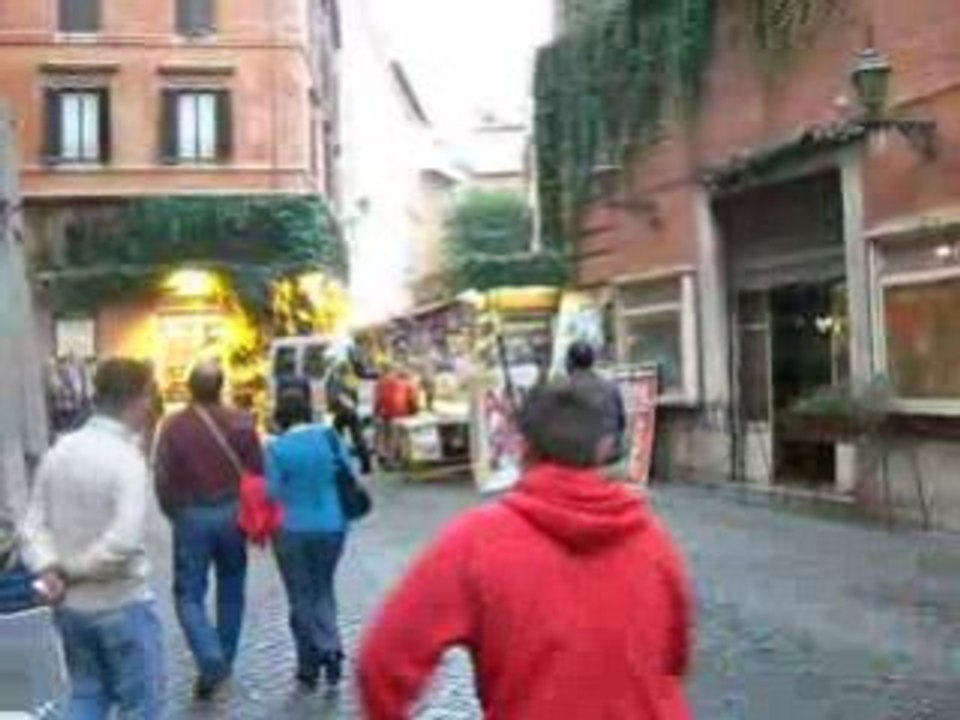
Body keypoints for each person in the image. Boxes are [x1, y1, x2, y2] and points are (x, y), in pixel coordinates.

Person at [358, 379, 693, 719]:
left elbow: (384, 662)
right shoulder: (651, 539)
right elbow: (675, 658)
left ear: (522, 447)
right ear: (604, 448)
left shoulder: (477, 541)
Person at [22, 359, 165, 719]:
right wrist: (72, 570)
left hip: (72, 607)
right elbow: (124, 541)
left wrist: (48, 567)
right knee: (140, 705)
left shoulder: (59, 452)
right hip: (122, 600)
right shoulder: (126, 459)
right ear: (137, 399)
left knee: (87, 696)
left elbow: (32, 524)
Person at [153, 360, 264, 700]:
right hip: (232, 513)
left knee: (188, 594)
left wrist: (174, 513)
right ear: (222, 386)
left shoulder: (172, 427)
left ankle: (208, 655)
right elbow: (258, 474)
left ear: (190, 387)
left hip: (191, 514)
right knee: (232, 587)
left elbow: (162, 475)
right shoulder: (243, 423)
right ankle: (222, 659)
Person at [266, 389, 354, 691]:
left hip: (292, 529)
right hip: (332, 525)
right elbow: (350, 473)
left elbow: (272, 492)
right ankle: (329, 648)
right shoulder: (330, 437)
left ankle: (311, 661)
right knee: (323, 588)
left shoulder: (278, 449)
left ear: (280, 418)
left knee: (300, 595)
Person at [566, 340, 628, 462]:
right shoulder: (610, 387)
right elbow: (621, 422)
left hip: (581, 460)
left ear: (569, 363)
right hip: (613, 456)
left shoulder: (565, 389)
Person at [326, 361, 373, 474]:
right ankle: (366, 465)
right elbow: (356, 395)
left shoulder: (336, 381)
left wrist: (332, 408)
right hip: (352, 412)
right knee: (359, 439)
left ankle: (338, 463)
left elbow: (334, 396)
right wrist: (353, 405)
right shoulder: (351, 380)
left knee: (336, 438)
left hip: (340, 412)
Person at [374, 364, 419, 467]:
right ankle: (391, 460)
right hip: (399, 413)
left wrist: (376, 412)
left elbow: (378, 398)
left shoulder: (381, 382)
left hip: (384, 412)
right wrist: (415, 411)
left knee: (385, 435)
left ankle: (382, 455)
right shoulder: (406, 383)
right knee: (395, 437)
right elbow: (412, 399)